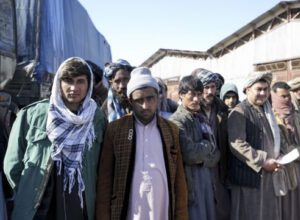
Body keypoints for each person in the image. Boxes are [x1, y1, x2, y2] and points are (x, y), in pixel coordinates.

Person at [3, 57, 106, 220]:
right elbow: (12, 165)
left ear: (89, 85)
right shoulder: (33, 114)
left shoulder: (97, 118)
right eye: (68, 81)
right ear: (59, 82)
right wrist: (29, 189)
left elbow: (102, 165)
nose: (74, 88)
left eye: (80, 81)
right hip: (40, 204)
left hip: (80, 202)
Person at [95, 67, 188, 220]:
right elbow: (105, 182)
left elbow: (179, 180)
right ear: (130, 101)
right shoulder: (116, 130)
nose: (145, 106)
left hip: (162, 211)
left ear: (158, 98)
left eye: (150, 98)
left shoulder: (171, 130)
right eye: (139, 100)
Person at [227, 72, 282, 220]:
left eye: (266, 89)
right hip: (250, 175)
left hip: (268, 173)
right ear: (247, 89)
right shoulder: (239, 112)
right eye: (259, 89)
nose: (263, 93)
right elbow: (237, 144)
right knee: (250, 213)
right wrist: (263, 161)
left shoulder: (266, 110)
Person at [170, 75, 220, 220]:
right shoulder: (177, 120)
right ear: (181, 95)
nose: (196, 99)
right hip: (191, 184)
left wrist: (204, 155)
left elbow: (216, 154)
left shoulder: (200, 118)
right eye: (192, 95)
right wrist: (207, 146)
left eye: (199, 95)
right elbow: (190, 154)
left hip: (206, 181)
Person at [271, 81, 300, 220]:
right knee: (289, 207)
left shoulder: (295, 113)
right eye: (283, 96)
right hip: (285, 170)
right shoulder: (271, 116)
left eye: (288, 96)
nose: (287, 99)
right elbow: (283, 145)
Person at [195, 69, 230, 220]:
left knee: (222, 209)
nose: (210, 91)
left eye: (213, 87)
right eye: (206, 87)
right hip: (201, 168)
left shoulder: (222, 110)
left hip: (220, 167)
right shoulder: (192, 111)